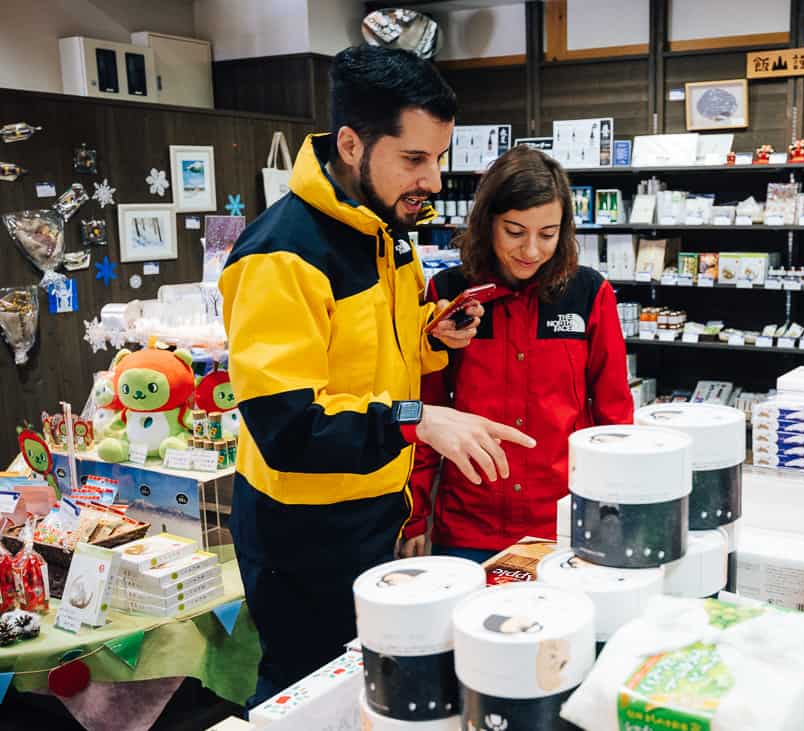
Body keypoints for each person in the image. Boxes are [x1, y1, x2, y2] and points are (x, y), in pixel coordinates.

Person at [219, 46, 534, 707]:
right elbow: (289, 428)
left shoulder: (386, 230)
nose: (434, 180)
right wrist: (421, 420)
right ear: (352, 144)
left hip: (371, 509)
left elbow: (369, 357)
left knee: (366, 683)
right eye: (415, 159)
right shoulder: (280, 256)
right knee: (307, 694)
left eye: (440, 158)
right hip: (300, 532)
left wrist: (431, 336)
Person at [401, 146, 633, 562]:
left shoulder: (589, 294)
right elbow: (427, 410)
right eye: (514, 231)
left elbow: (616, 415)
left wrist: (619, 508)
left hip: (564, 520)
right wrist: (416, 514)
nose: (531, 250)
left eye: (547, 234)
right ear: (487, 222)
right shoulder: (448, 297)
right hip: (469, 522)